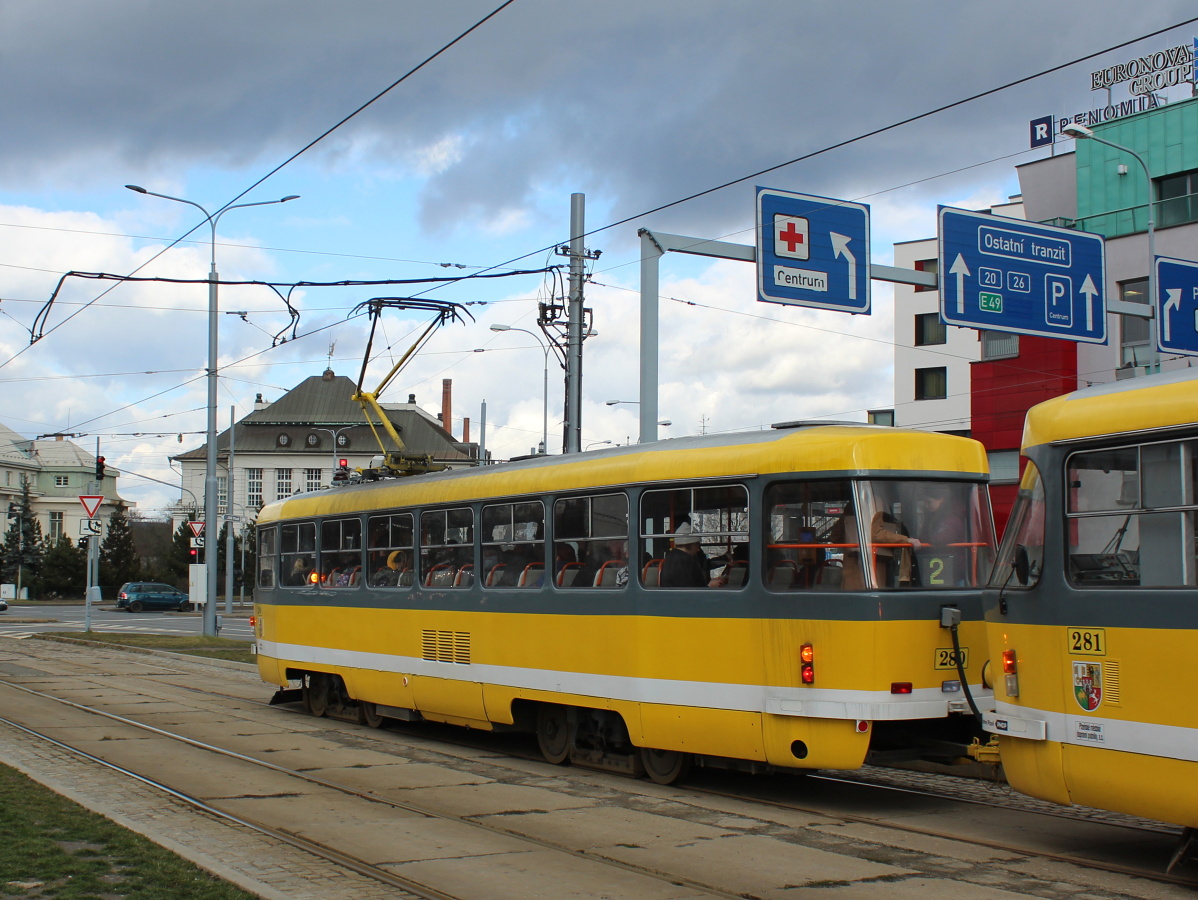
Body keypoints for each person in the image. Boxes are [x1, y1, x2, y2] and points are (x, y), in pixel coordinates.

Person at [660, 522, 725, 588]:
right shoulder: (687, 562)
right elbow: (692, 593)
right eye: (697, 545)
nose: (698, 549)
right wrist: (710, 586)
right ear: (690, 544)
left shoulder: (669, 558)